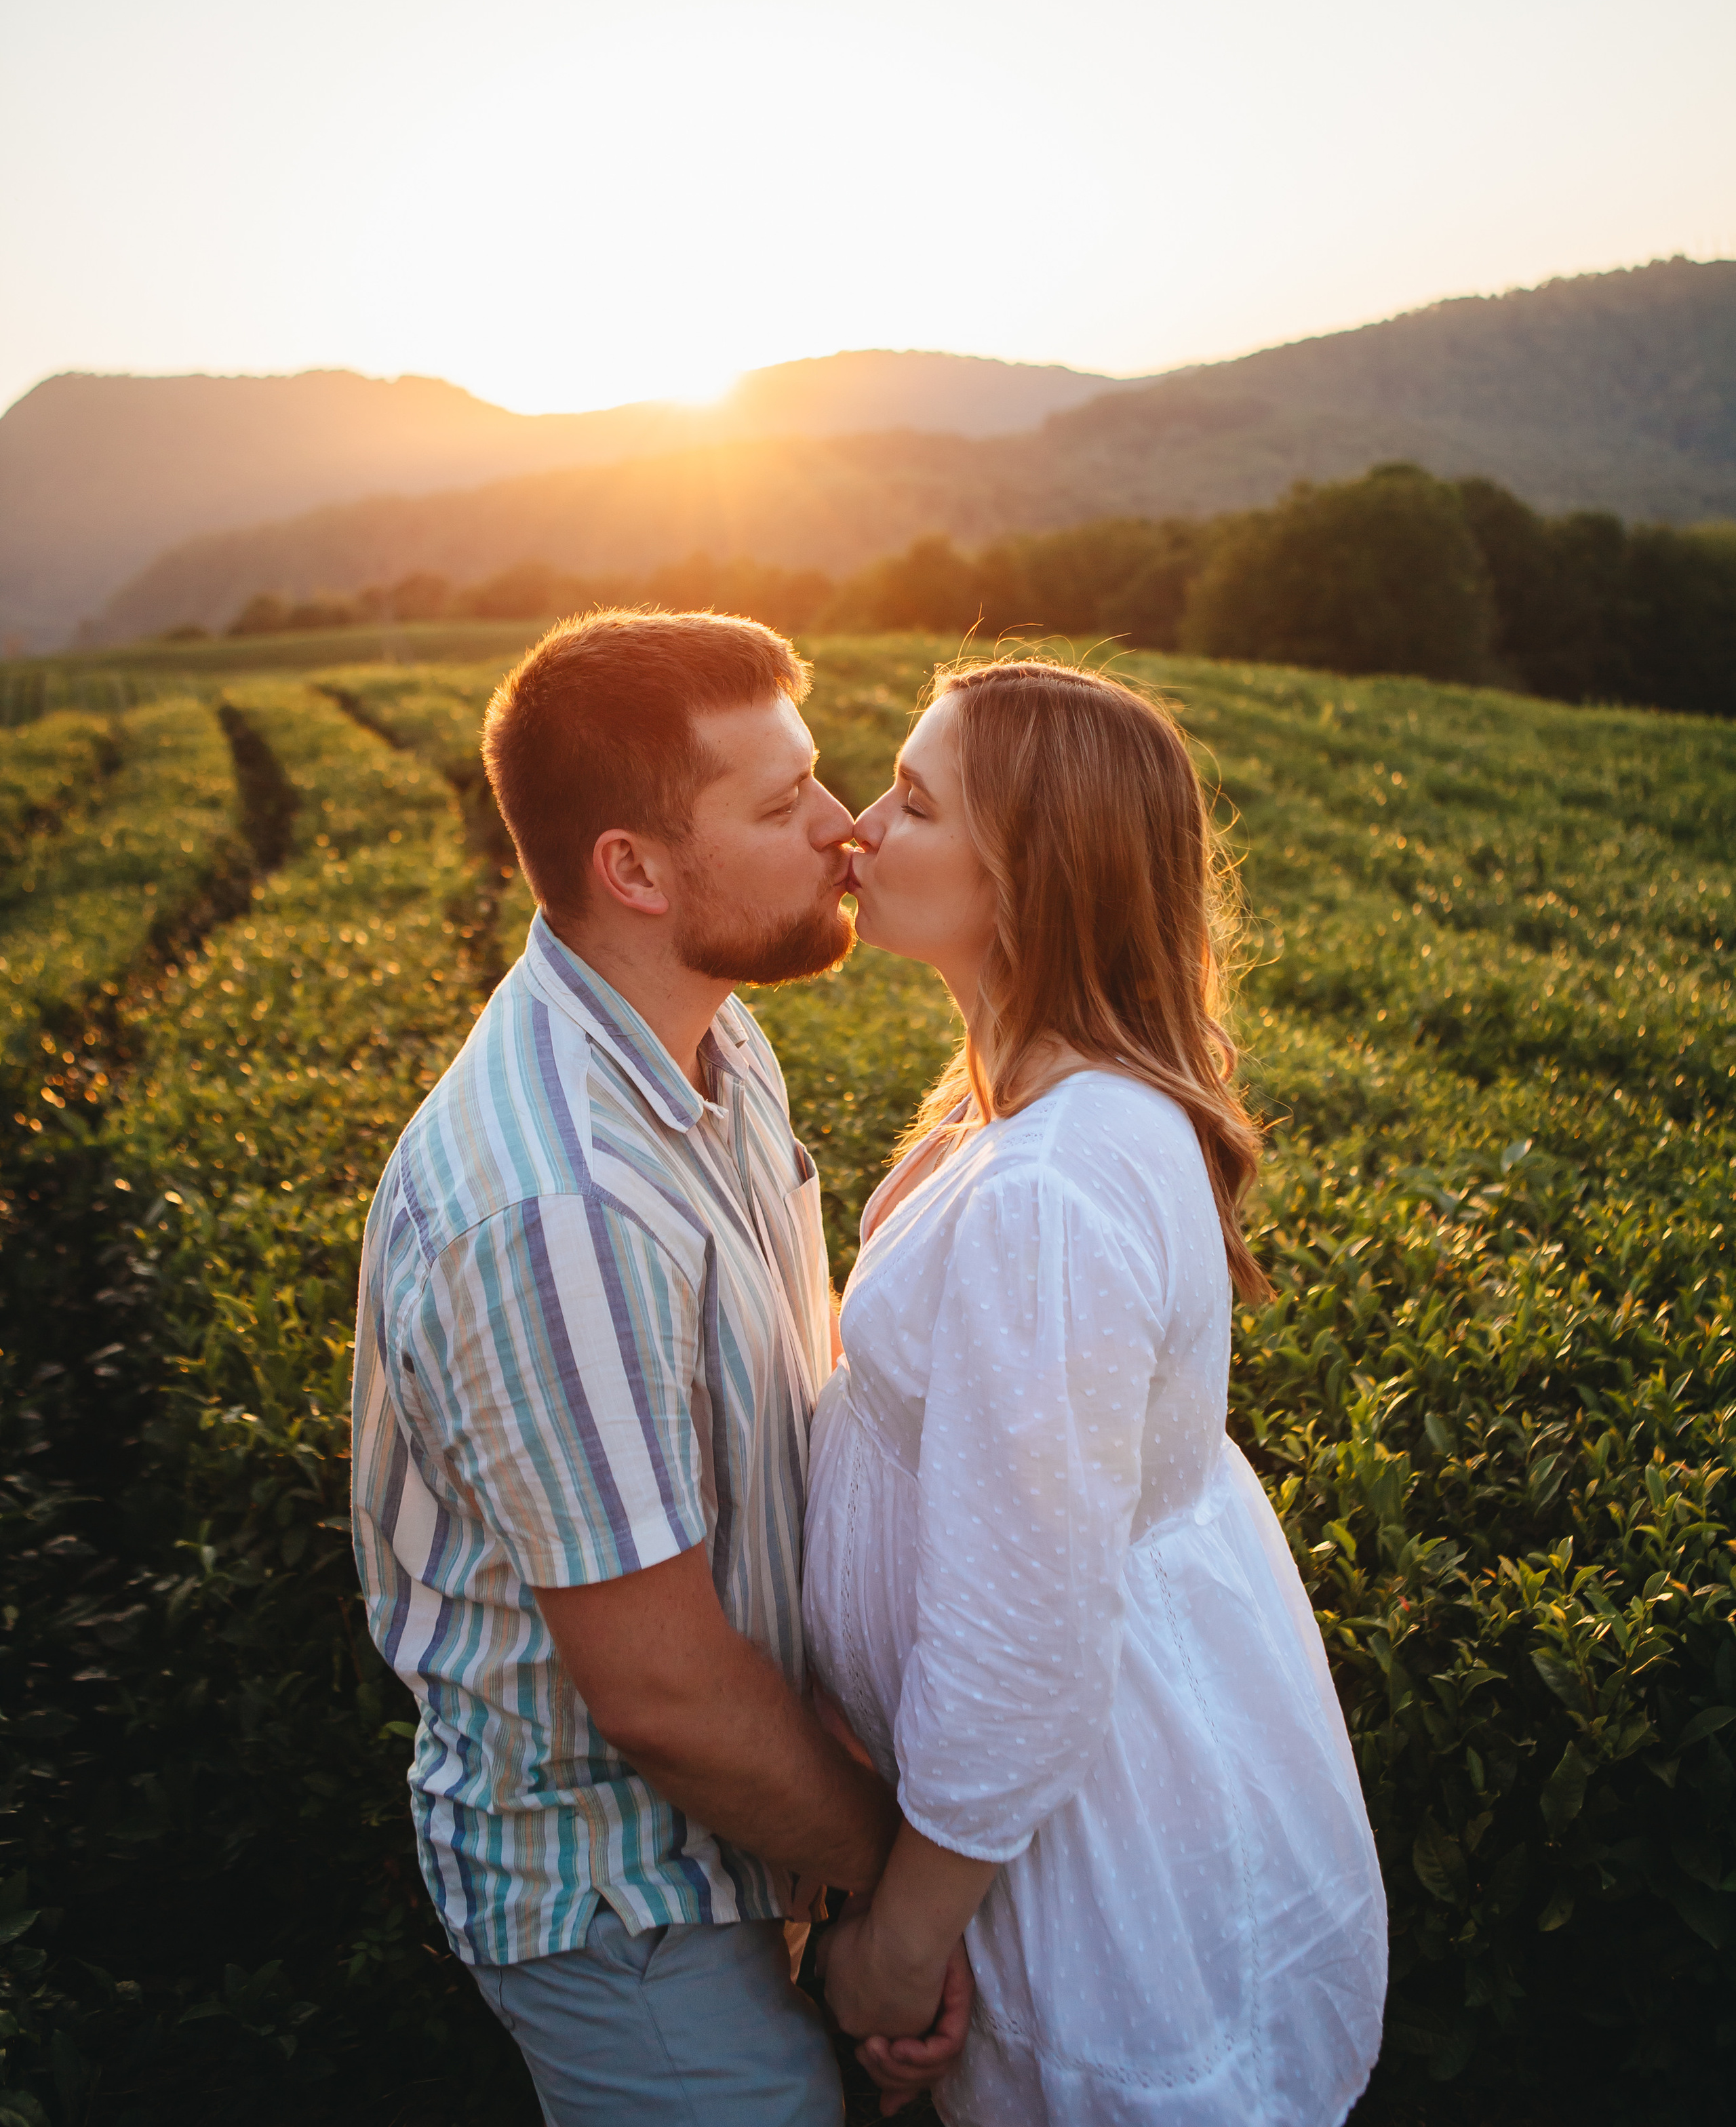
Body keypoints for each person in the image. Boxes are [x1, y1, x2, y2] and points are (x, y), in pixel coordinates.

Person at [350, 610, 968, 2126]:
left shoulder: (713, 1037)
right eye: (777, 806)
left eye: (815, 781)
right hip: (630, 1903)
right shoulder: (558, 1208)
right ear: (632, 869)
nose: (840, 833)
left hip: (760, 1832)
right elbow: (664, 1692)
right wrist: (892, 1889)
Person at [804, 656, 1388, 2125]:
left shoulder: (1050, 1189)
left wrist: (896, 1945)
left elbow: (1022, 1639)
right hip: (1053, 1806)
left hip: (1085, 1839)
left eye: (914, 802)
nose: (858, 829)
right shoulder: (1029, 1114)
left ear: (1031, 877)